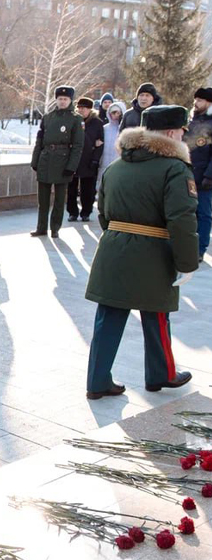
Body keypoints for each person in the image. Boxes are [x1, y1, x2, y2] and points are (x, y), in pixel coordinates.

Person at [86, 105, 198, 399]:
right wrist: (187, 261)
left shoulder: (116, 167)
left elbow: (104, 213)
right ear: (173, 133)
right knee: (156, 315)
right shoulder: (174, 168)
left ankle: (97, 382)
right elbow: (182, 219)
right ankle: (162, 375)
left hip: (113, 247)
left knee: (108, 315)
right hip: (153, 251)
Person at [30, 86, 84, 238]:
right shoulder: (48, 117)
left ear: (70, 100)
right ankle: (41, 227)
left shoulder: (75, 119)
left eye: (65, 99)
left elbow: (78, 146)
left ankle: (55, 228)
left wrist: (71, 166)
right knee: (43, 199)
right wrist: (35, 160)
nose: (62, 101)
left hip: (63, 160)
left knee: (60, 199)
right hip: (46, 159)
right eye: (60, 98)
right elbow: (39, 140)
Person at [67, 97, 104, 222]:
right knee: (71, 188)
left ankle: (86, 212)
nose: (81, 110)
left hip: (89, 159)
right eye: (80, 108)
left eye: (84, 108)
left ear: (90, 109)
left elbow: (100, 142)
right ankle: (72, 212)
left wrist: (95, 160)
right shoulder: (73, 120)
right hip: (74, 159)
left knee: (87, 189)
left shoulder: (97, 123)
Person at [185, 88, 212, 260]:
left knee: (203, 214)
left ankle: (199, 250)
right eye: (195, 100)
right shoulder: (190, 121)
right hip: (187, 174)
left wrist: (210, 175)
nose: (196, 103)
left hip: (204, 177)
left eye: (200, 100)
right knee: (188, 213)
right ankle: (187, 247)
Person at [98, 101, 124, 180]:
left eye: (118, 112)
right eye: (113, 112)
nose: (116, 115)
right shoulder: (105, 128)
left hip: (119, 163)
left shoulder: (124, 128)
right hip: (104, 162)